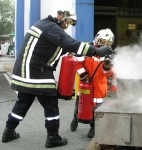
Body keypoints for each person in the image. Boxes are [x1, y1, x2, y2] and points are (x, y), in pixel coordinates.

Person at [1, 9, 113, 148]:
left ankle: (8, 131)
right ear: (60, 17)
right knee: (51, 105)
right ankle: (53, 137)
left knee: (23, 103)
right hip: (37, 72)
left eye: (70, 23)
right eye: (67, 21)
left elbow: (63, 46)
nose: (67, 25)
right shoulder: (50, 27)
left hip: (26, 72)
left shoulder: (45, 26)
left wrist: (88, 47)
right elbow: (70, 43)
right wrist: (97, 51)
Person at [70, 28, 115, 138]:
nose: (105, 45)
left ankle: (93, 128)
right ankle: (75, 119)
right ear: (97, 38)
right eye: (103, 42)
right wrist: (83, 74)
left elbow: (107, 73)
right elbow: (77, 64)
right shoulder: (86, 49)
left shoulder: (108, 55)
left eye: (107, 43)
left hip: (99, 88)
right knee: (80, 104)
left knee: (97, 109)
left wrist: (107, 66)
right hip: (85, 84)